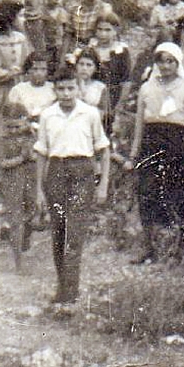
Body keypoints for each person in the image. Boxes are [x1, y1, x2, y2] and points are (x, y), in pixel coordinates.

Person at [35, 66, 110, 311]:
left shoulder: (89, 113)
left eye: (70, 88)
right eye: (61, 89)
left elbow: (103, 149)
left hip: (82, 172)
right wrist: (39, 190)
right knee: (58, 231)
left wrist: (103, 185)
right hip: (56, 173)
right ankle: (62, 285)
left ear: (78, 88)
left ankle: (70, 290)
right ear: (54, 90)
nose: (66, 94)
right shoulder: (48, 115)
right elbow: (42, 154)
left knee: (74, 232)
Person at [125, 42, 184, 263]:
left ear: (177, 63)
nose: (166, 65)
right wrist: (134, 155)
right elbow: (139, 125)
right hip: (151, 143)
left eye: (171, 61)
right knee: (148, 194)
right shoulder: (147, 88)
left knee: (179, 195)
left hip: (177, 143)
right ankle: (150, 247)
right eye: (161, 60)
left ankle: (182, 247)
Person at [0, 53, 55, 271]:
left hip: (35, 163)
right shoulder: (18, 92)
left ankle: (27, 234)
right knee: (16, 216)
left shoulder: (52, 90)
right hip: (13, 177)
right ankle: (18, 261)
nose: (39, 73)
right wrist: (19, 157)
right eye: (34, 69)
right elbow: (2, 161)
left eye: (43, 68)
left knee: (33, 210)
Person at [0, 1, 32, 155]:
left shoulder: (20, 38)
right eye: (20, 16)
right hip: (0, 87)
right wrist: (13, 72)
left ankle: (21, 150)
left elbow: (27, 60)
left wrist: (25, 70)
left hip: (19, 83)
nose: (23, 20)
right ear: (10, 18)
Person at [90, 13, 132, 134]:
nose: (103, 34)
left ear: (116, 31)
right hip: (94, 97)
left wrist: (119, 105)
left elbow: (126, 80)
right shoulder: (91, 49)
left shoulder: (121, 51)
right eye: (100, 29)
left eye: (108, 30)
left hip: (113, 97)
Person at [42, 0, 72, 76]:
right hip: (45, 49)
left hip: (59, 50)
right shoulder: (41, 12)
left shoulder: (64, 14)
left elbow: (67, 35)